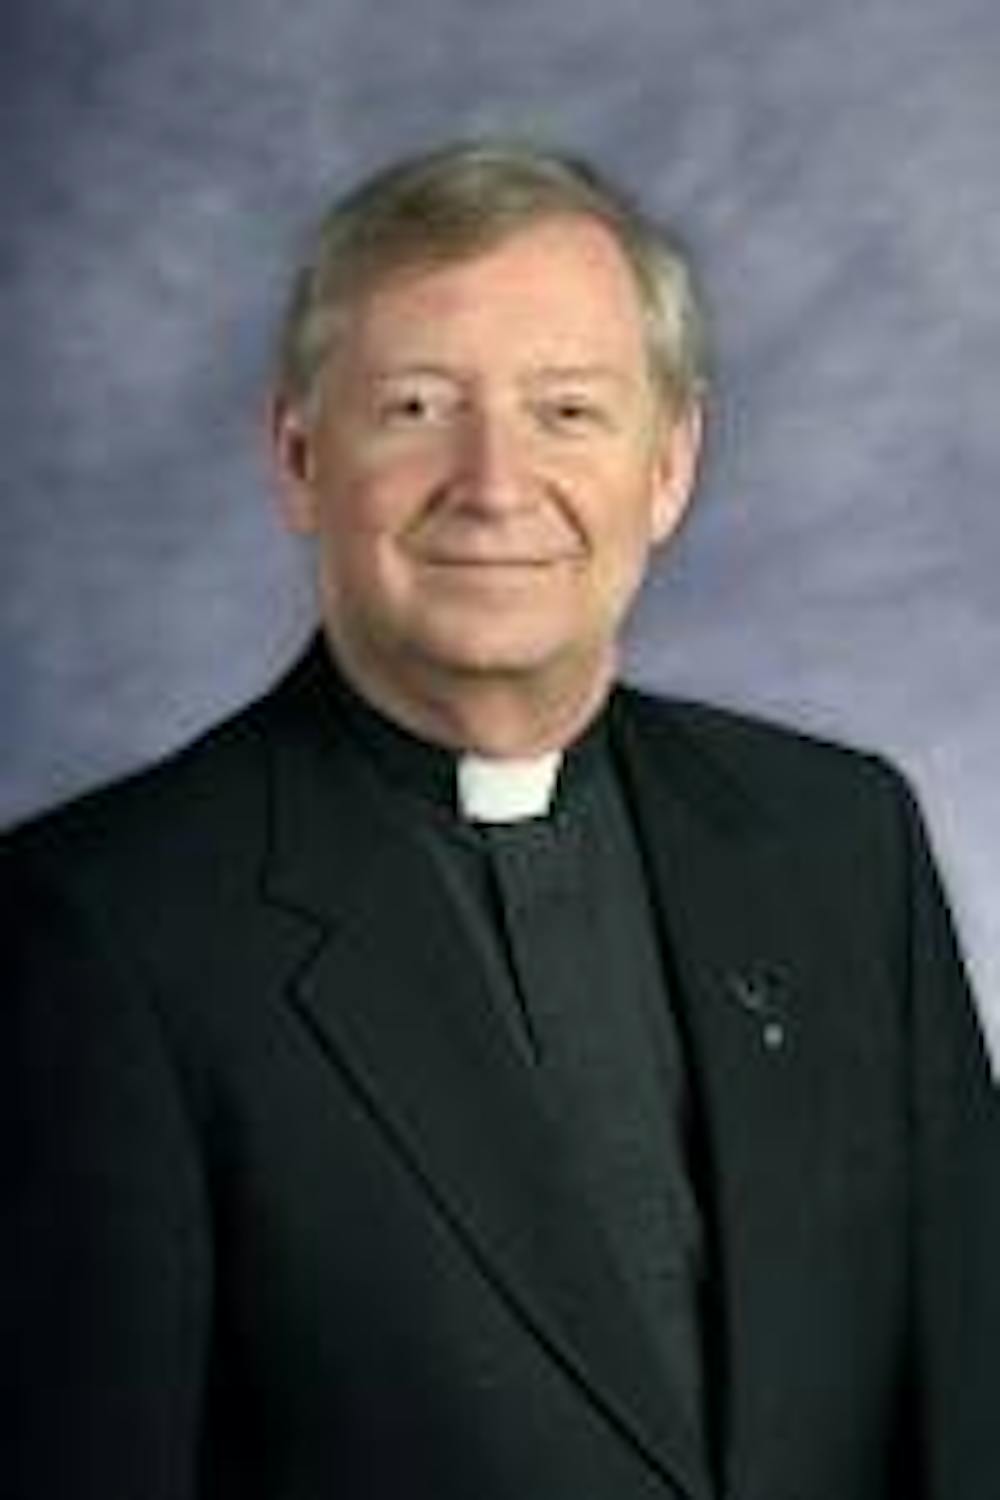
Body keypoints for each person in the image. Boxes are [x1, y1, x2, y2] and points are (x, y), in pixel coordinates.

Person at [3, 140, 997, 1500]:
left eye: (568, 411)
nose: (493, 482)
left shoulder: (844, 843)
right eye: (416, 407)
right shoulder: (103, 930)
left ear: (670, 464)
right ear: (299, 458)